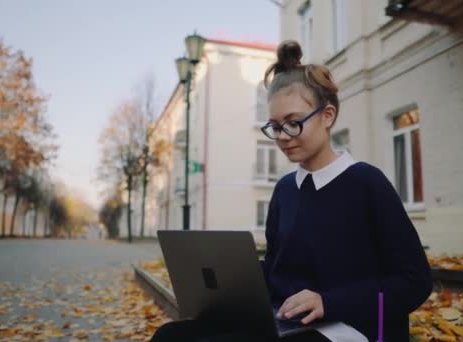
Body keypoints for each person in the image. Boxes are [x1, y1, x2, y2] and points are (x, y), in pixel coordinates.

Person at [152, 40, 432, 342]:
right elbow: (277, 271)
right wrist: (227, 282)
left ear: (327, 116)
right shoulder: (285, 189)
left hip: (350, 328)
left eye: (293, 123)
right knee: (171, 336)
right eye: (274, 126)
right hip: (287, 321)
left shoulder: (366, 183)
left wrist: (328, 301)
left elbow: (414, 281)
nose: (283, 137)